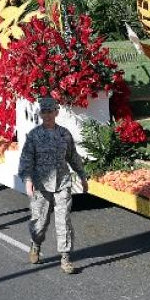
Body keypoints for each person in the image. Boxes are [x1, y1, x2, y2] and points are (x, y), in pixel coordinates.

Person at [18, 97, 87, 275]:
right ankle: (35, 244)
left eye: (51, 112)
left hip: (62, 182)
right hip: (41, 184)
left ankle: (65, 258)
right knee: (40, 223)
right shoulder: (34, 136)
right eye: (44, 112)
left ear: (56, 112)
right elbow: (26, 160)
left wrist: (82, 175)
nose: (48, 115)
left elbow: (73, 156)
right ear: (40, 114)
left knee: (63, 220)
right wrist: (27, 180)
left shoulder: (65, 134)